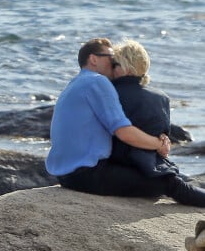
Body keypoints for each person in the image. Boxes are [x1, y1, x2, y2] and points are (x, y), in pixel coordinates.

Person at [45, 37, 205, 207]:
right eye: (111, 58)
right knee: (168, 183)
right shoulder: (97, 81)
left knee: (164, 176)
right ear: (93, 59)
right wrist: (158, 144)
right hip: (87, 174)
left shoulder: (76, 84)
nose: (114, 63)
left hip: (67, 174)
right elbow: (123, 131)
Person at [108, 39, 205, 206]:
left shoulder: (110, 93)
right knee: (177, 184)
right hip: (153, 164)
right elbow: (163, 137)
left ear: (126, 68)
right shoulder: (161, 97)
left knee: (175, 185)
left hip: (122, 165)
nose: (111, 68)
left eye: (114, 64)